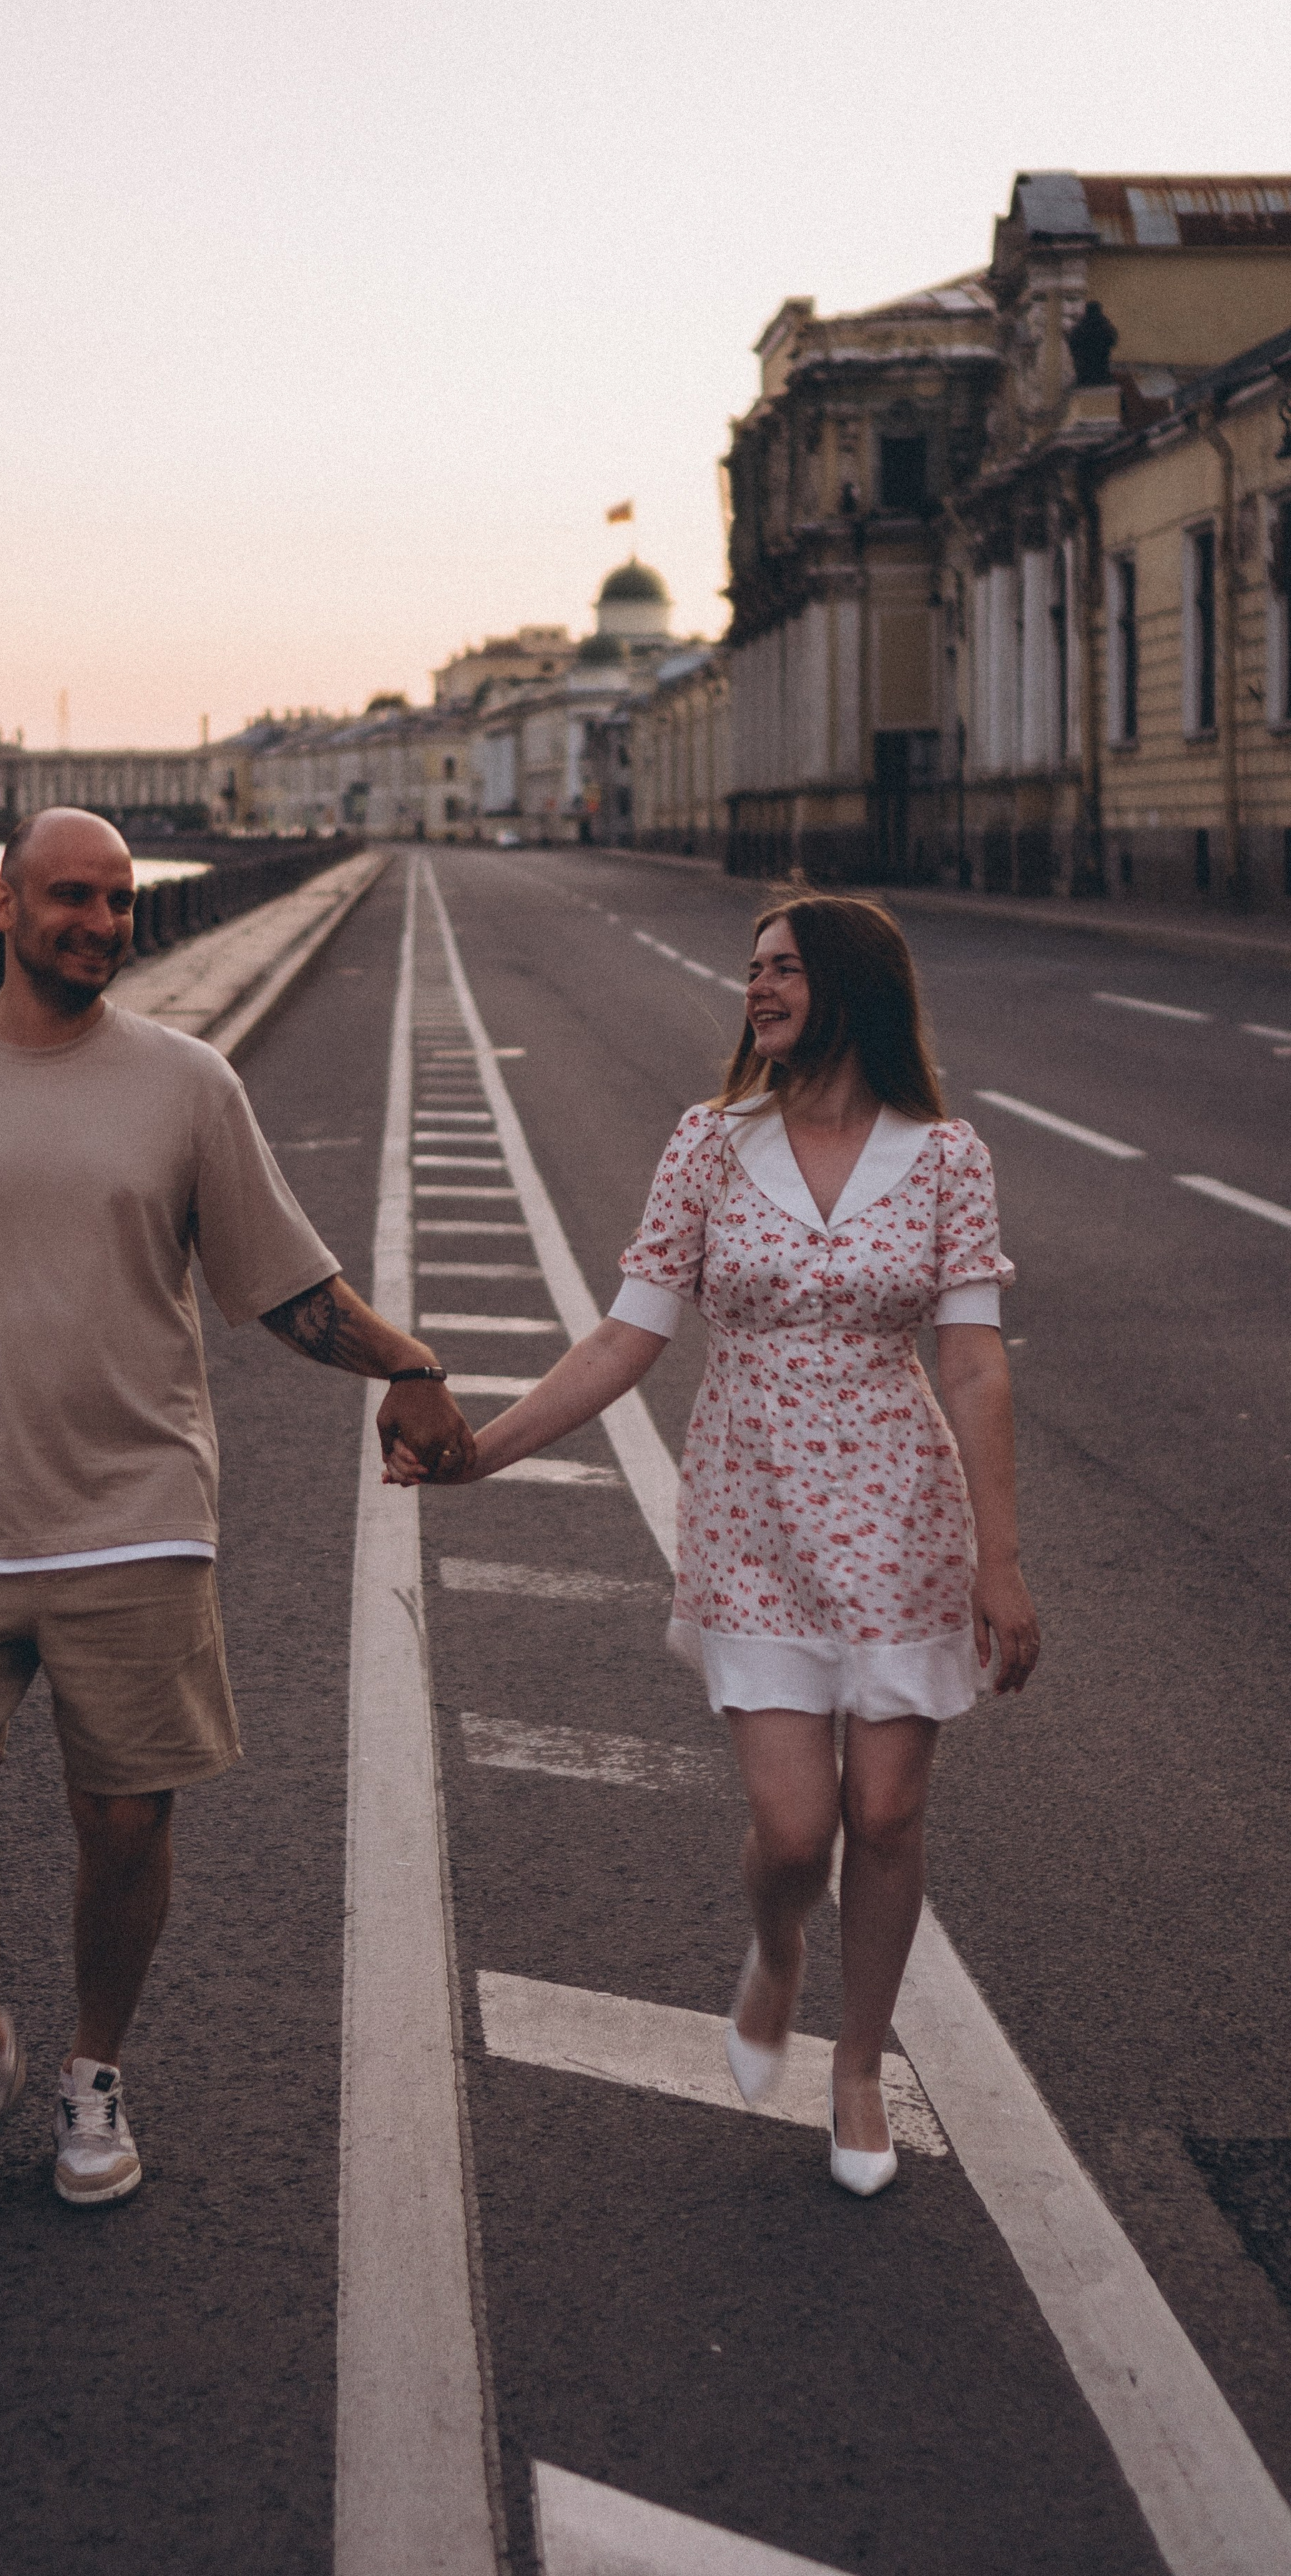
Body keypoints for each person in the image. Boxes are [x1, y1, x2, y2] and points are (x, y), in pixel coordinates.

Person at [0, 808, 472, 2216]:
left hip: (136, 1509)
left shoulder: (185, 1085)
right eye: (71, 898)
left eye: (118, 902)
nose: (99, 924)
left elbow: (282, 1289)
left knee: (125, 1825)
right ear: (2, 904)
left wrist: (408, 1362)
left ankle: (91, 2072)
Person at [388, 890, 1039, 2196]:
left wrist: (1002, 1561)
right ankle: (779, 1943)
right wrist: (481, 1451)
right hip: (751, 1510)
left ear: (850, 984)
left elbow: (970, 1366)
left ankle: (857, 2067)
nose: (758, 989)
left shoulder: (948, 1158)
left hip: (903, 1510)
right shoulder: (710, 1144)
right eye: (751, 970)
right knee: (798, 1833)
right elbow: (628, 1337)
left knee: (890, 1809)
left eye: (785, 968)